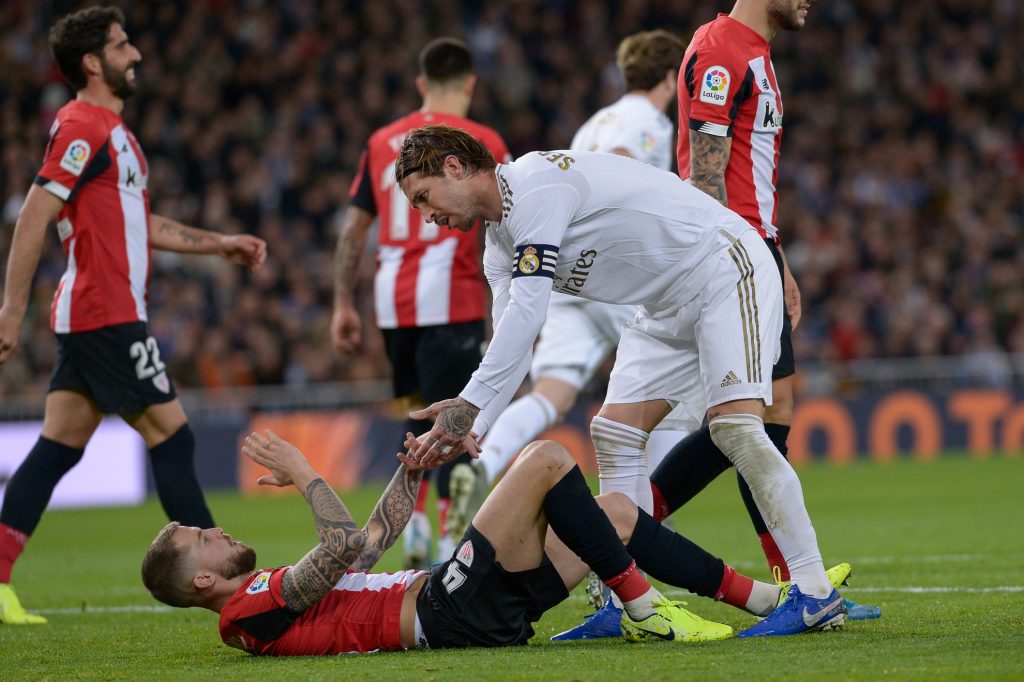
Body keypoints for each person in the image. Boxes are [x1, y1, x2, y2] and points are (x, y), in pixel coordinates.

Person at [396, 124, 845, 637]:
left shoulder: (536, 187)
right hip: (662, 304)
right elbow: (513, 340)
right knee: (614, 432)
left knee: (736, 430)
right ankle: (628, 603)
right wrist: (473, 424)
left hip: (723, 266)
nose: (427, 216)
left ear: (454, 166)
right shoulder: (499, 245)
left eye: (423, 198)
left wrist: (467, 407)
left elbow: (528, 315)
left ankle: (813, 592)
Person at [0, 6, 266, 625]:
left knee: (58, 446)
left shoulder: (114, 135)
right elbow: (35, 215)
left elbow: (137, 224)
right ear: (93, 63)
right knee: (173, 436)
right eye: (122, 46)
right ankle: (226, 587)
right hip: (106, 315)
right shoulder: (80, 125)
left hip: (95, 316)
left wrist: (216, 242)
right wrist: (10, 310)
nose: (136, 55)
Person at [142, 429, 853, 653]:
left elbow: (360, 548)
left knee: (614, 514)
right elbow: (330, 551)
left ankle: (770, 602)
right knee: (545, 458)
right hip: (445, 613)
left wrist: (408, 471)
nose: (218, 530)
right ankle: (642, 607)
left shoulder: (266, 598)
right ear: (202, 583)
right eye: (205, 539)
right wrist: (303, 473)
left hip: (463, 605)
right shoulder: (245, 617)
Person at [657, 0, 881, 621]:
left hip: (756, 249)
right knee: (739, 420)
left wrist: (776, 258)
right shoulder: (722, 49)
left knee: (770, 411)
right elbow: (705, 178)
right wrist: (732, 259)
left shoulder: (758, 52)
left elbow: (745, 177)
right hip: (725, 257)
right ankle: (622, 535)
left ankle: (793, 584)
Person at [446, 30, 691, 544]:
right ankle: (645, 532)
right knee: (671, 399)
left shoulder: (592, 122)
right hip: (619, 272)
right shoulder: (648, 120)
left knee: (551, 394)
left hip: (561, 275)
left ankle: (482, 458)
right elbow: (625, 164)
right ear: (671, 78)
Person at [330, 37, 511, 568]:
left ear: (420, 83)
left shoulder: (382, 139)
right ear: (471, 83)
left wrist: (343, 302)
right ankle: (451, 538)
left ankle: (418, 528)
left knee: (413, 419)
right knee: (454, 419)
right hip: (451, 298)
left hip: (392, 304)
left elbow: (353, 230)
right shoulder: (483, 140)